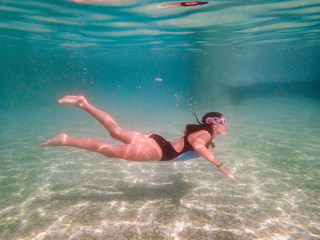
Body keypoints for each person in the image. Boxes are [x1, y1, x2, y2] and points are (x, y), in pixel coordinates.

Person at [41, 95, 236, 182]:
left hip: (158, 142)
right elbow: (199, 147)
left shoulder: (205, 133)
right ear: (214, 123)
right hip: (159, 151)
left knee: (115, 131)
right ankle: (66, 140)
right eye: (224, 121)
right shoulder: (205, 134)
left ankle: (83, 103)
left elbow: (197, 145)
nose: (227, 124)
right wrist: (222, 168)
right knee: (108, 150)